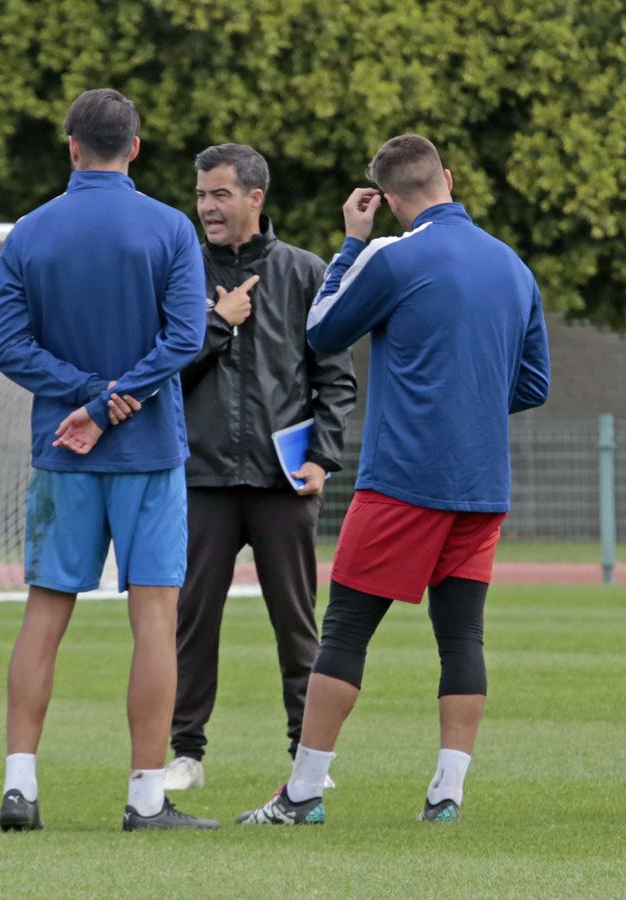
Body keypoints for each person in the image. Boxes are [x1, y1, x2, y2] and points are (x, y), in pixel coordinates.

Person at [237, 134, 550, 827]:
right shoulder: (512, 265)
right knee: (462, 638)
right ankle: (447, 795)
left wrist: (353, 243)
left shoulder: (391, 254)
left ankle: (303, 794)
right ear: (449, 177)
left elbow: (320, 331)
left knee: (345, 630)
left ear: (388, 198)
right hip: (481, 484)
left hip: (404, 480)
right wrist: (467, 400)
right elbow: (533, 382)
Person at [0, 88, 215, 832]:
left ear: (72, 146)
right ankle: (146, 797)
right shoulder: (171, 228)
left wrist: (85, 400)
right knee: (154, 620)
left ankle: (19, 788)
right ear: (136, 148)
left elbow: (8, 346)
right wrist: (115, 399)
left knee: (45, 614)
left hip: (63, 453)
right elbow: (186, 338)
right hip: (148, 451)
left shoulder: (29, 231)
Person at [164, 143, 355, 792]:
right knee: (193, 621)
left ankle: (307, 755)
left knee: (298, 622)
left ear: (255, 198)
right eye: (200, 195)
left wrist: (323, 456)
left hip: (284, 481)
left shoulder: (304, 272)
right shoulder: (180, 272)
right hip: (201, 477)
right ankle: (185, 753)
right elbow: (165, 372)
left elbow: (334, 377)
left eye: (219, 194)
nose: (206, 208)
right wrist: (218, 324)